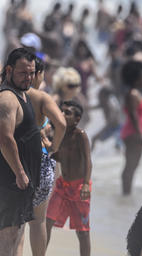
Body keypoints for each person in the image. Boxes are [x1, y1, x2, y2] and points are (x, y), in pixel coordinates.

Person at [0, 47, 40, 256]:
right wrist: (19, 172)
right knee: (9, 231)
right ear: (9, 70)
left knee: (18, 230)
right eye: (23, 73)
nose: (29, 78)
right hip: (12, 175)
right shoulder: (5, 98)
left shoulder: (22, 94)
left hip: (22, 174)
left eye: (32, 73)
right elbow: (5, 138)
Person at [16, 54, 67, 256]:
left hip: (18, 162)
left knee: (18, 222)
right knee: (38, 222)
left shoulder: (10, 94)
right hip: (42, 162)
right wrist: (54, 147)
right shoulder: (42, 98)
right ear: (37, 75)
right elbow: (61, 124)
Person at [46, 100, 92, 256]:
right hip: (62, 186)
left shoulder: (81, 136)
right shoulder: (60, 133)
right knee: (47, 221)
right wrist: (48, 145)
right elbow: (60, 156)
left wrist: (86, 184)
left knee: (82, 231)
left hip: (79, 187)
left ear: (77, 119)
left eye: (67, 113)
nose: (63, 115)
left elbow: (87, 161)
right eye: (61, 112)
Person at [119, 61, 142, 195]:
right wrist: (140, 134)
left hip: (134, 134)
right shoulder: (132, 94)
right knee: (130, 166)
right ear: (136, 78)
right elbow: (133, 115)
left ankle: (127, 193)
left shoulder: (136, 92)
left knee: (132, 166)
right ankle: (126, 194)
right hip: (133, 134)